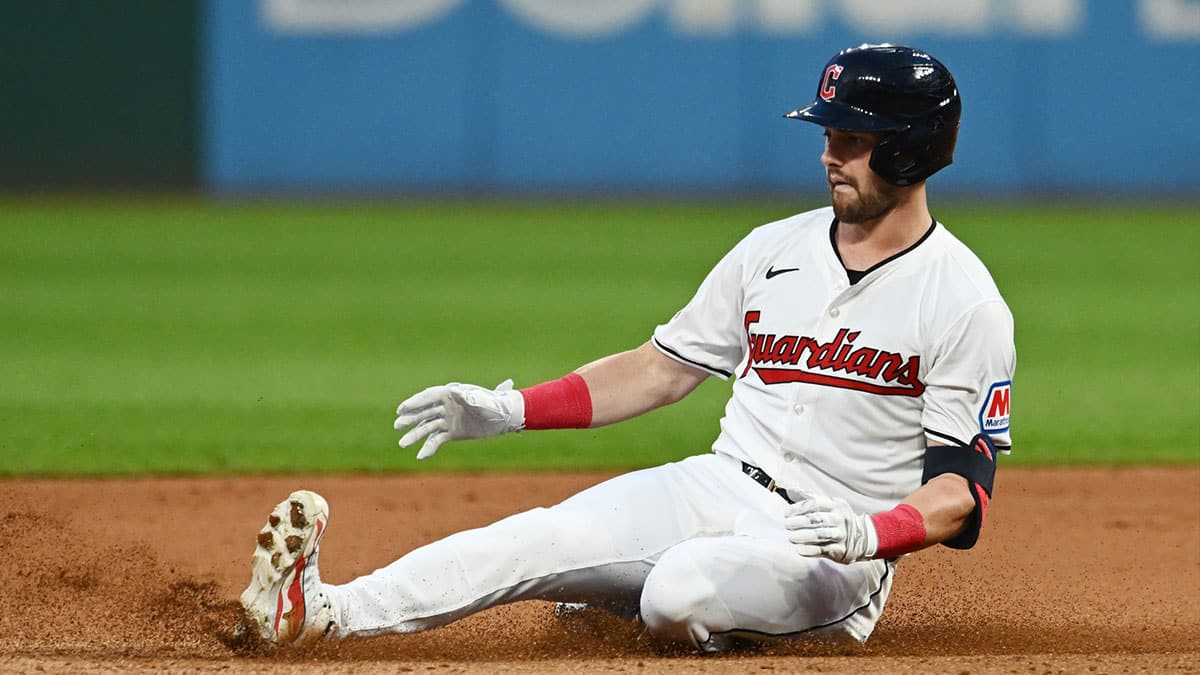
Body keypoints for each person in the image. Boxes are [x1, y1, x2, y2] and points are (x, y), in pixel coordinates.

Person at [239, 44, 1015, 653]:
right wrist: (512, 410)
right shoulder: (771, 250)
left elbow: (962, 493)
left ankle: (630, 596)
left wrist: (869, 534)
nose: (827, 152)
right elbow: (658, 370)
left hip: (827, 551)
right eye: (827, 133)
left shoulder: (963, 299)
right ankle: (325, 613)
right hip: (715, 484)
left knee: (676, 591)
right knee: (534, 536)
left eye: (851, 137)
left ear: (908, 150)